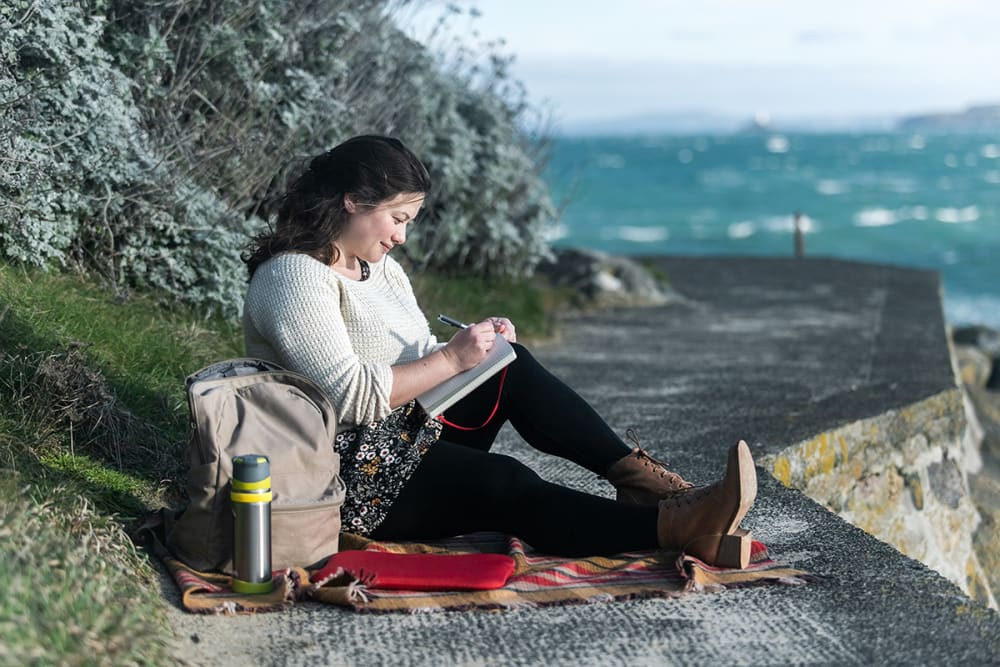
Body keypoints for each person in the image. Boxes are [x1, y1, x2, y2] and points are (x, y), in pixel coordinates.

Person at [241, 135, 757, 567]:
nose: (400, 236)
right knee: (506, 481)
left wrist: (473, 348)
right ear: (351, 200)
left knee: (509, 366)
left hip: (396, 438)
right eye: (396, 218)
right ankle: (674, 528)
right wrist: (451, 360)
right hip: (345, 477)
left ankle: (649, 486)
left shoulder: (379, 269)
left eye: (409, 222)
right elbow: (348, 395)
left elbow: (416, 355)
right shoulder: (294, 275)